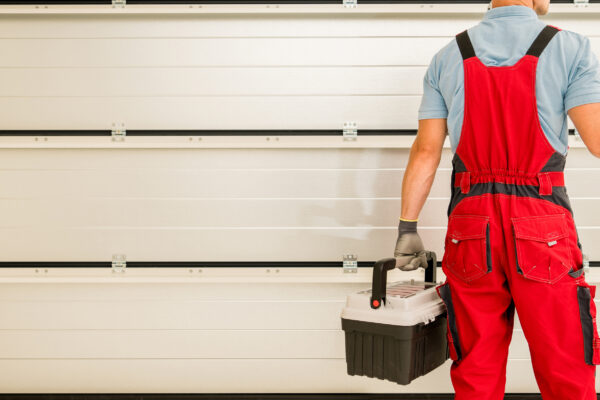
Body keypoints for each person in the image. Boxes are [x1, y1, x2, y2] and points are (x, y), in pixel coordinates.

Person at [393, 0, 600, 398]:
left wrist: (408, 227)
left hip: (471, 224)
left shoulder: (448, 55)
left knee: (476, 367)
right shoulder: (568, 47)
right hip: (542, 220)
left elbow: (426, 151)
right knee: (566, 364)